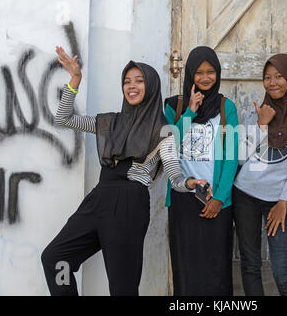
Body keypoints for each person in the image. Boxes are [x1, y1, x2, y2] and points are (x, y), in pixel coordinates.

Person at [41, 46, 210, 296]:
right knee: (56, 258)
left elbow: (174, 175)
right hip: (99, 199)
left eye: (139, 81)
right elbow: (64, 118)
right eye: (127, 81)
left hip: (129, 206)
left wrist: (190, 183)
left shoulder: (163, 131)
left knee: (122, 288)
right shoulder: (110, 123)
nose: (131, 86)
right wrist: (75, 79)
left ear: (151, 86)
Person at [233, 54, 287, 296]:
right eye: (267, 78)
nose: (272, 83)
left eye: (279, 76)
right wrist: (261, 125)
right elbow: (241, 157)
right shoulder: (258, 112)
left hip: (279, 200)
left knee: (282, 271)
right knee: (250, 265)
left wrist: (285, 202)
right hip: (245, 194)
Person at [164, 46, 239, 296]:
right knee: (186, 267)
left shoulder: (227, 108)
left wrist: (219, 197)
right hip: (183, 198)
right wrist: (190, 112)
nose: (205, 78)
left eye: (211, 72)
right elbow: (169, 148)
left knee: (216, 268)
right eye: (199, 72)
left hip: (217, 200)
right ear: (189, 75)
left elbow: (231, 156)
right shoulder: (173, 106)